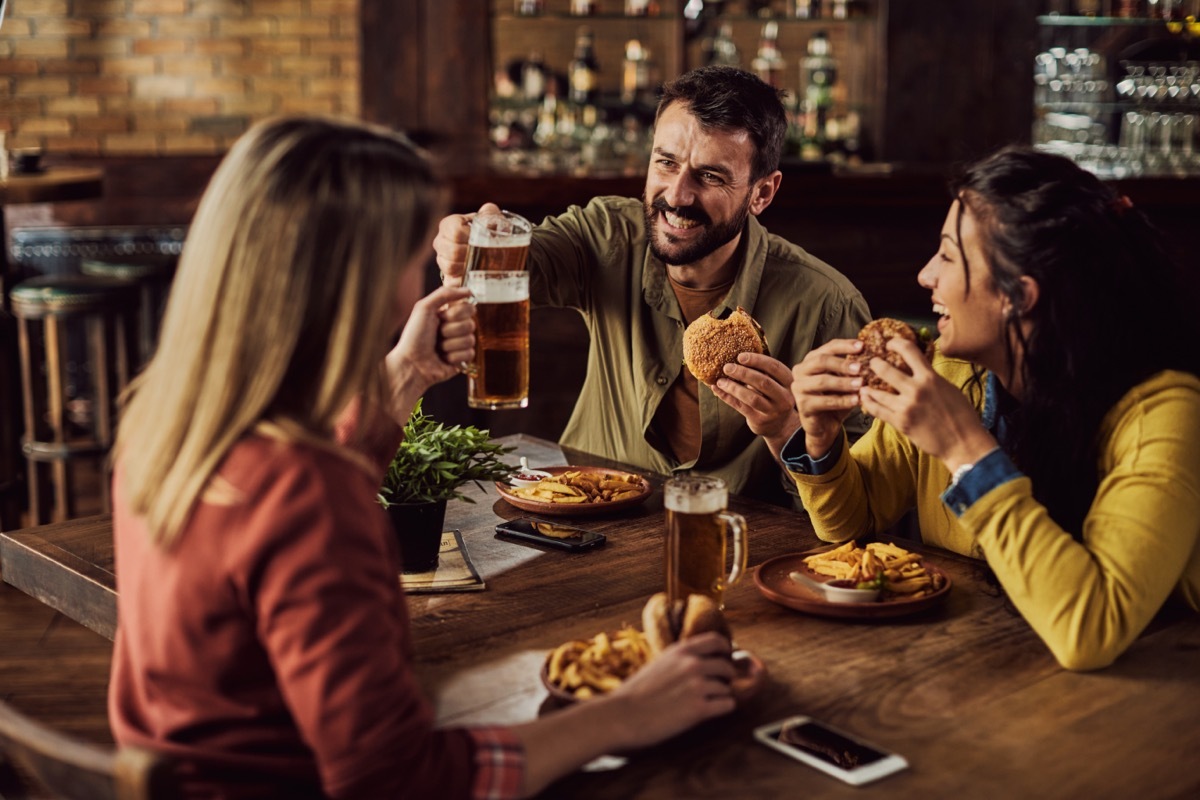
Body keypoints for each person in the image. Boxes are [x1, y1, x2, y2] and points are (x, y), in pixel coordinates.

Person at [109, 115, 739, 799]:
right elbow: (398, 779)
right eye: (413, 255)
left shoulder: (166, 420)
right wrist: (626, 714)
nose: (418, 278)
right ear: (357, 281)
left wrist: (405, 373)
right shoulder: (307, 495)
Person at [785, 146, 1200, 671]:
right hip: (980, 667)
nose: (924, 275)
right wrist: (820, 441)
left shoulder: (1163, 415)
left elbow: (1089, 630)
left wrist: (964, 449)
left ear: (1019, 296)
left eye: (948, 257)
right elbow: (854, 523)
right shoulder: (954, 373)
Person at [434, 66, 870, 508]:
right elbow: (528, 261)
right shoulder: (607, 233)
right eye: (666, 163)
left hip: (734, 546)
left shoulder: (828, 307)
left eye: (710, 176)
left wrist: (784, 431)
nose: (677, 195)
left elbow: (857, 503)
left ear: (762, 193)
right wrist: (467, 243)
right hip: (578, 520)